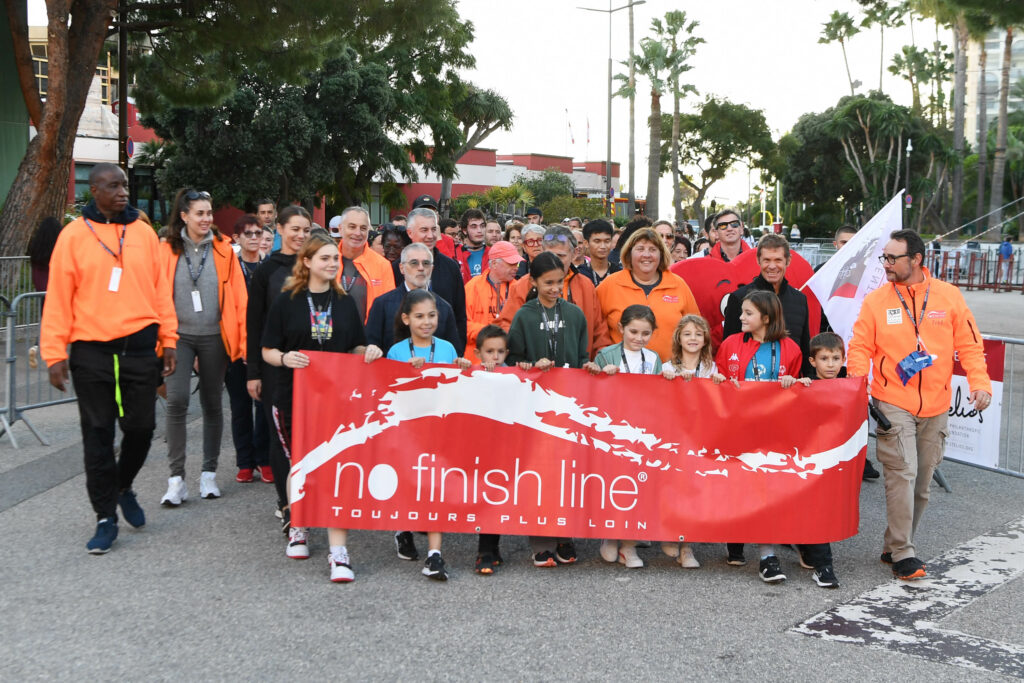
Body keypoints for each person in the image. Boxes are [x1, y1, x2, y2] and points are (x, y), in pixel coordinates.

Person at [40, 163, 178, 553]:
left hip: (139, 347)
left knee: (141, 427)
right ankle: (104, 516)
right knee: (97, 434)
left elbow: (160, 291)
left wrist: (169, 339)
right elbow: (58, 299)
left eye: (125, 184)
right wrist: (54, 353)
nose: (122, 191)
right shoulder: (72, 237)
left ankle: (122, 484)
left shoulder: (144, 233)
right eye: (113, 185)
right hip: (92, 351)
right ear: (94, 190)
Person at [848, 229, 991, 581]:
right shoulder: (876, 301)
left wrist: (980, 383)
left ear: (916, 260)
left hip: (937, 405)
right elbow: (860, 347)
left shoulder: (949, 296)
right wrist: (856, 386)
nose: (886, 264)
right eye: (885, 257)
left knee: (922, 483)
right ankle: (903, 553)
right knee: (903, 473)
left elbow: (970, 345)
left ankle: (893, 543)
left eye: (892, 258)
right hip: (893, 401)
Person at [262, 233, 382, 582]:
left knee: (334, 467)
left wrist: (369, 352)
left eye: (336, 259)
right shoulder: (287, 301)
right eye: (325, 258)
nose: (332, 264)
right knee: (298, 463)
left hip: (336, 399)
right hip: (291, 395)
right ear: (307, 262)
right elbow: (267, 349)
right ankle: (299, 525)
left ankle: (338, 552)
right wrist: (284, 357)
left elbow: (356, 347)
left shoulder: (345, 303)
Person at [156, 189, 248, 505]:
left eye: (209, 213)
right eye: (200, 213)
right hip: (176, 336)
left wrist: (243, 342)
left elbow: (239, 298)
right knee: (177, 400)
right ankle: (176, 479)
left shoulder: (224, 250)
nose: (207, 219)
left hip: (214, 337)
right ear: (183, 216)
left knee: (211, 402)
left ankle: (208, 474)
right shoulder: (166, 248)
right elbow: (156, 292)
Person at [507, 252, 598, 568]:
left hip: (569, 405)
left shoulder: (575, 315)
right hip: (535, 406)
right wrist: (530, 366)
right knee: (540, 471)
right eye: (548, 283)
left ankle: (565, 535)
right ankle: (541, 540)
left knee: (568, 471)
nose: (555, 288)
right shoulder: (524, 315)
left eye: (560, 282)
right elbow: (513, 360)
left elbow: (582, 352)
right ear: (533, 282)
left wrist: (588, 366)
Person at [716, 290, 803, 582]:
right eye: (742, 312)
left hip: (772, 433)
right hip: (736, 430)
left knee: (766, 492)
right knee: (738, 487)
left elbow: (797, 393)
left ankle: (767, 555)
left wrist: (796, 383)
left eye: (748, 313)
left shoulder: (790, 348)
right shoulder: (730, 344)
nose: (740, 317)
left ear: (766, 318)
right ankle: (735, 540)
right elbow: (716, 387)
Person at [386, 289, 469, 581]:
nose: (426, 322)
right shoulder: (397, 351)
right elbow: (389, 390)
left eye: (432, 315)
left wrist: (463, 367)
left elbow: (455, 385)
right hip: (407, 430)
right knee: (408, 484)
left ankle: (435, 554)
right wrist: (407, 373)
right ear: (406, 319)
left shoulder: (446, 347)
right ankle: (403, 528)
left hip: (438, 430)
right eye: (419, 316)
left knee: (436, 488)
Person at [247, 206, 312, 527]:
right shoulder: (267, 271)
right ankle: (285, 502)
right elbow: (254, 324)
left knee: (310, 435)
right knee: (280, 436)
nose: (300, 236)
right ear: (281, 229)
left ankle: (308, 496)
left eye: (305, 230)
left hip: (314, 368)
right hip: (276, 367)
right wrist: (253, 372)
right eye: (294, 229)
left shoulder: (316, 266)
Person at [589, 305, 663, 569]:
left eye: (645, 333)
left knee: (637, 487)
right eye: (633, 331)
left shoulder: (653, 358)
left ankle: (629, 546)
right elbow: (591, 390)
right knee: (613, 484)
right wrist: (599, 374)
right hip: (612, 432)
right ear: (621, 329)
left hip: (642, 433)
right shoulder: (605, 355)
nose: (638, 338)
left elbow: (659, 396)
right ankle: (610, 536)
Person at [659, 314, 726, 568]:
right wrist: (665, 383)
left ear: (705, 338)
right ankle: (669, 534)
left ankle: (687, 547)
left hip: (699, 438)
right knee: (672, 490)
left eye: (698, 334)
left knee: (693, 492)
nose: (693, 338)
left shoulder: (711, 369)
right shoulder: (667, 367)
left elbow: (717, 401)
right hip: (673, 438)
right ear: (678, 337)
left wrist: (718, 384)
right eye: (687, 334)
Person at [497, 226, 611, 359]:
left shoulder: (586, 286)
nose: (554, 261)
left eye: (561, 256)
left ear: (574, 254)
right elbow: (506, 326)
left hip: (577, 370)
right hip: (535, 370)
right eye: (550, 255)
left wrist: (602, 361)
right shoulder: (523, 285)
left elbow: (600, 333)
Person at [596, 227, 700, 361]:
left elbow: (696, 328)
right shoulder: (609, 285)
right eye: (640, 249)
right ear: (629, 254)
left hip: (670, 373)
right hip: (620, 373)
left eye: (653, 250)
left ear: (661, 254)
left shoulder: (678, 285)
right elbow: (595, 330)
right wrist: (607, 358)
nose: (647, 255)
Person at [723, 234, 811, 376]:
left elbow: (805, 349)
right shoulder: (739, 297)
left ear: (788, 261)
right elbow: (728, 349)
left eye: (778, 260)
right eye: (766, 260)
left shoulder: (799, 300)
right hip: (746, 388)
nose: (772, 266)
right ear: (758, 260)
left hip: (788, 389)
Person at [225, 215, 271, 484]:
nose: (254, 238)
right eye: (248, 234)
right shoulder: (229, 268)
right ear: (237, 238)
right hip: (234, 346)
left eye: (257, 233)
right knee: (239, 406)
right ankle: (245, 462)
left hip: (263, 347)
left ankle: (264, 459)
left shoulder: (269, 266)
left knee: (263, 406)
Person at [365, 243, 462, 355]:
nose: (420, 268)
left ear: (432, 269)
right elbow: (371, 346)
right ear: (401, 268)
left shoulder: (444, 307)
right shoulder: (382, 304)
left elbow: (454, 353)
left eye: (426, 263)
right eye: (414, 263)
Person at [396, 207, 467, 346]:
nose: (430, 235)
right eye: (424, 230)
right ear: (410, 232)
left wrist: (458, 351)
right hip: (403, 355)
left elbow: (460, 316)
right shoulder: (396, 268)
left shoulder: (451, 267)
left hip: (443, 355)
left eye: (434, 229)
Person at [472, 324, 512, 574]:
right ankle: (487, 550)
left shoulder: (514, 374)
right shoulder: (471, 373)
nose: (495, 357)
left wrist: (527, 370)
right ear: (478, 353)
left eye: (500, 352)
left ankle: (488, 549)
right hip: (476, 444)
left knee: (495, 495)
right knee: (481, 496)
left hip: (504, 445)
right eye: (489, 352)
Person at [336, 206, 395, 324]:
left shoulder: (382, 265)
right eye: (352, 227)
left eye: (363, 228)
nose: (357, 233)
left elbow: (389, 310)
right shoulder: (326, 260)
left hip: (368, 339)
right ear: (340, 229)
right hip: (330, 338)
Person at [464, 241, 523, 359]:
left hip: (508, 359)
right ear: (494, 263)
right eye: (511, 263)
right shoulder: (473, 286)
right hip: (476, 361)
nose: (516, 268)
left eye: (517, 264)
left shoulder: (519, 288)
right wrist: (491, 333)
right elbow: (463, 324)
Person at [26, 216, 63, 369]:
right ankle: (45, 348)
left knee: (45, 318)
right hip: (56, 287)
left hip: (40, 287)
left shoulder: (36, 246)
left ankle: (37, 346)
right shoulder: (59, 245)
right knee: (57, 320)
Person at [577, 219, 622, 286]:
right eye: (597, 241)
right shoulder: (579, 274)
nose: (603, 246)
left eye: (607, 241)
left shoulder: (620, 273)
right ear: (586, 243)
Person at [455, 209, 490, 282]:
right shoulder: (456, 254)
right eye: (474, 227)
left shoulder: (493, 254)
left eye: (482, 226)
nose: (479, 230)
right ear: (464, 230)